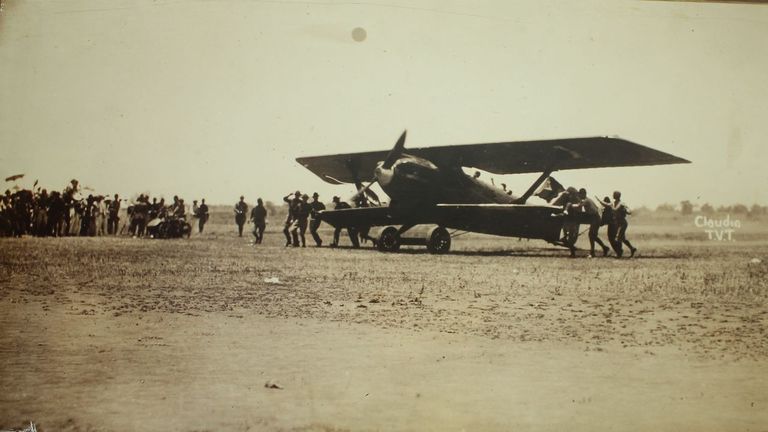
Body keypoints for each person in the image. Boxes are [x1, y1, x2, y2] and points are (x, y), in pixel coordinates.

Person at [576, 188, 610, 257]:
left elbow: (578, 206)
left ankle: (593, 252)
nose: (579, 196)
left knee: (591, 235)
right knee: (593, 236)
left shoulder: (586, 200)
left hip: (595, 219)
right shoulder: (588, 200)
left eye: (580, 194)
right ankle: (604, 248)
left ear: (583, 194)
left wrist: (570, 205)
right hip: (595, 219)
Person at [612, 191, 637, 258]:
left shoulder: (621, 203)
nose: (613, 195)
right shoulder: (615, 203)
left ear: (617, 196)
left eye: (614, 194)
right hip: (619, 223)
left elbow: (628, 210)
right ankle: (632, 248)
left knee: (618, 238)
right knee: (622, 238)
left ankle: (619, 253)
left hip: (622, 223)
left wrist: (626, 211)